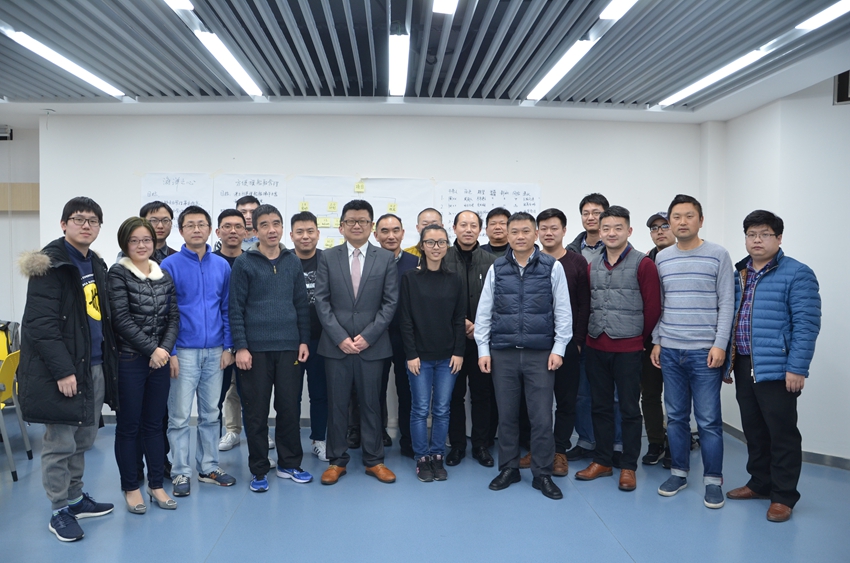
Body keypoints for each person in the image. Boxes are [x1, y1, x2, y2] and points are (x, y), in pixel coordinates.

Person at [18, 196, 118, 542]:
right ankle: (59, 509)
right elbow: (40, 326)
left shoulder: (95, 263)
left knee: (83, 438)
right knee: (60, 442)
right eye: (78, 219)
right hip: (64, 372)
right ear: (64, 224)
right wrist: (63, 371)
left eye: (93, 220)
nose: (86, 225)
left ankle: (75, 498)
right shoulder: (52, 265)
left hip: (93, 366)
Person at [725, 210, 821, 522]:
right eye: (751, 234)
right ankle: (760, 483)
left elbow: (806, 325)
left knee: (782, 434)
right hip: (744, 364)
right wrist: (728, 362)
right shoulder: (740, 273)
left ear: (778, 238)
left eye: (764, 234)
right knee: (754, 430)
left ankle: (783, 496)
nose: (757, 240)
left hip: (778, 368)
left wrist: (797, 368)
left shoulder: (797, 273)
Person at [476, 212, 573, 500]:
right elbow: (484, 310)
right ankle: (509, 468)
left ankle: (542, 473)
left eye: (526, 231)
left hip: (540, 354)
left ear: (535, 235)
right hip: (503, 353)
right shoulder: (497, 268)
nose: (520, 236)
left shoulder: (552, 266)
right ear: (507, 235)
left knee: (541, 417)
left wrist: (559, 348)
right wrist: (483, 349)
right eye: (515, 231)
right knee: (506, 415)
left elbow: (563, 310)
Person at [651, 194, 734, 509]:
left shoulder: (718, 254)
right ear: (670, 222)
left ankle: (713, 481)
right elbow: (660, 303)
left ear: (700, 220)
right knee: (675, 417)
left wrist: (720, 344)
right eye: (676, 217)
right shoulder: (662, 258)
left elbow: (727, 302)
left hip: (704, 352)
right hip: (671, 349)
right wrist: (658, 340)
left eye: (689, 216)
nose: (682, 222)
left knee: (709, 420)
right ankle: (678, 472)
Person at [575, 206, 661, 492]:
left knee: (628, 408)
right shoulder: (592, 264)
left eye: (618, 228)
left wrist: (637, 338)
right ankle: (602, 460)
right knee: (599, 406)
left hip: (629, 349)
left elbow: (653, 308)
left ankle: (628, 466)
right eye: (606, 228)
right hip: (595, 345)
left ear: (629, 231)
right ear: (599, 232)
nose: (611, 233)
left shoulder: (643, 264)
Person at [315, 200, 398, 485]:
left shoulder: (385, 258)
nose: (357, 225)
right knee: (337, 404)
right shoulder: (328, 257)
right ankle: (337, 461)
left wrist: (368, 336)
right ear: (341, 226)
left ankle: (374, 461)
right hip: (335, 346)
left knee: (371, 404)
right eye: (351, 221)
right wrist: (340, 337)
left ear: (371, 226)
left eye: (363, 221)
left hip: (372, 346)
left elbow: (390, 302)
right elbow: (321, 301)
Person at [230, 204, 311, 492]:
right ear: (255, 230)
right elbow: (235, 308)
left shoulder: (292, 261)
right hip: (255, 351)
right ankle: (259, 469)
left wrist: (303, 340)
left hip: (289, 347)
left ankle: (290, 464)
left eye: (276, 223)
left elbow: (301, 304)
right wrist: (241, 347)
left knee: (289, 408)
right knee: (256, 412)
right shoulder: (244, 263)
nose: (271, 229)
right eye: (264, 224)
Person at [161, 205, 237, 497]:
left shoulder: (222, 265)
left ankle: (208, 467)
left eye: (201, 224)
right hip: (183, 351)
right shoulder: (170, 265)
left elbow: (226, 308)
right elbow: (165, 312)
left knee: (210, 414)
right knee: (179, 416)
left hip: (216, 350)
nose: (196, 229)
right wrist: (171, 351)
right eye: (190, 225)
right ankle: (180, 471)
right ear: (181, 231)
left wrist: (228, 346)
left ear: (209, 230)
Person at [109, 217, 179, 513]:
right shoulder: (117, 273)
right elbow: (121, 320)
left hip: (158, 361)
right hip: (130, 361)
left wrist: (164, 350)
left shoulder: (163, 274)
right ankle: (131, 487)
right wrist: (153, 349)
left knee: (154, 425)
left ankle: (156, 485)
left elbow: (173, 317)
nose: (141, 245)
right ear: (125, 243)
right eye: (134, 240)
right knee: (129, 426)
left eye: (146, 240)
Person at [518, 208, 589, 477]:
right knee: (534, 401)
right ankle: (537, 449)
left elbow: (584, 305)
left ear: (564, 231)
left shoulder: (577, 262)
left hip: (567, 342)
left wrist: (577, 341)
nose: (549, 233)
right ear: (537, 232)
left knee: (566, 399)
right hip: (535, 343)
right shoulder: (528, 261)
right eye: (544, 228)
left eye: (554, 228)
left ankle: (559, 450)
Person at [400, 225, 465, 482]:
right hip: (419, 357)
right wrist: (411, 354)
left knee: (442, 409)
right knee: (419, 409)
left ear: (447, 246)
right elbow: (405, 319)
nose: (436, 247)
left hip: (448, 357)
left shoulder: (455, 279)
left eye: (441, 242)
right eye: (430, 242)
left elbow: (459, 319)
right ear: (422, 246)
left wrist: (459, 351)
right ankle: (421, 458)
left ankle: (437, 456)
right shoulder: (410, 278)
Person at [565, 193, 622, 464]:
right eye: (586, 212)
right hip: (580, 332)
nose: (591, 217)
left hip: (610, 333)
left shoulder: (618, 249)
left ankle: (617, 445)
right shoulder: (571, 251)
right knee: (581, 392)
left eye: (596, 212)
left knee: (614, 395)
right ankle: (586, 441)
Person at [444, 210, 498, 467]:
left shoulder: (492, 261)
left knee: (482, 394)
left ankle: (481, 445)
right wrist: (461, 323)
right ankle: (456, 446)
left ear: (480, 230)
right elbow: (434, 298)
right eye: (463, 225)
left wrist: (479, 326)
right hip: (450, 341)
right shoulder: (442, 258)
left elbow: (500, 300)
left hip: (482, 341)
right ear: (454, 228)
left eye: (473, 225)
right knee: (453, 395)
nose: (468, 229)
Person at [373, 213, 419, 457]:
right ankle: (376, 436)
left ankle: (408, 439)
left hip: (407, 336)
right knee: (375, 389)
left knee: (406, 389)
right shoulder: (369, 261)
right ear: (375, 234)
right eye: (385, 231)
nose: (391, 236)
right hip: (376, 335)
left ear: (403, 233)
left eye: (395, 230)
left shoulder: (416, 262)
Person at [290, 211, 330, 461]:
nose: (305, 236)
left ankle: (319, 439)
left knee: (320, 393)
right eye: (300, 232)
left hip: (322, 340)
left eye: (310, 231)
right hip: (290, 341)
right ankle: (291, 441)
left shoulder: (329, 260)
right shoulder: (284, 261)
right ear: (291, 235)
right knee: (290, 396)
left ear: (318, 233)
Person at [641, 211, 675, 466]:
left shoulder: (684, 258)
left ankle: (676, 444)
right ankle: (655, 442)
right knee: (650, 395)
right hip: (647, 341)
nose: (660, 231)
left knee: (676, 397)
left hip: (675, 339)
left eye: (665, 225)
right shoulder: (645, 261)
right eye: (654, 228)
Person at [215, 209, 246, 452]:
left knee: (251, 392)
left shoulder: (252, 261)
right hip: (218, 339)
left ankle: (256, 433)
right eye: (227, 226)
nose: (233, 231)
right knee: (219, 394)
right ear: (218, 232)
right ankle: (229, 432)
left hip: (248, 339)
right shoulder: (211, 261)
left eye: (238, 226)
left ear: (246, 232)